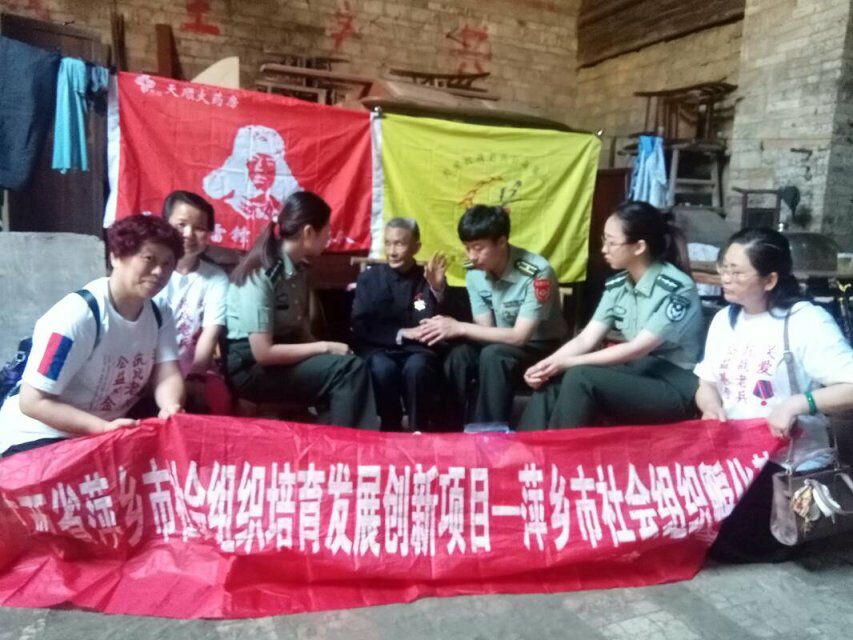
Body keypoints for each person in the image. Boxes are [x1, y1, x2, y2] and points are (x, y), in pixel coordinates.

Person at [694, 227, 853, 561]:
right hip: (733, 456)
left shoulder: (805, 321)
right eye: (724, 268)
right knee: (684, 521)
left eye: (737, 272)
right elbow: (706, 383)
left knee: (725, 544)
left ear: (769, 280)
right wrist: (710, 406)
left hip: (784, 464)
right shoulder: (724, 320)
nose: (725, 278)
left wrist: (798, 403)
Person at [0, 215, 185, 458]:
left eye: (168, 263)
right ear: (116, 256)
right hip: (40, 435)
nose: (159, 271)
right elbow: (32, 401)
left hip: (104, 432)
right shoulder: (77, 316)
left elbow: (167, 372)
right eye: (149, 259)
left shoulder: (160, 312)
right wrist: (102, 428)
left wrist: (170, 407)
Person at [521, 201, 703, 429]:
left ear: (639, 247)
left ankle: (562, 450)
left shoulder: (677, 288)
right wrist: (547, 365)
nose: (604, 249)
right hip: (637, 373)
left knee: (580, 376)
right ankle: (522, 448)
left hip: (675, 385)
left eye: (612, 242)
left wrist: (568, 363)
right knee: (551, 380)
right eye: (604, 240)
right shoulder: (618, 285)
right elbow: (585, 339)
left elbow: (637, 348)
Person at [224, 190, 378, 429]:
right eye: (326, 232)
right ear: (308, 232)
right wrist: (325, 347)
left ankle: (330, 441)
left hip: (282, 358)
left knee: (347, 363)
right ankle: (349, 446)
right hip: (251, 367)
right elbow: (263, 353)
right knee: (348, 371)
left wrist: (330, 354)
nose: (328, 239)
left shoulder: (299, 271)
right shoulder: (261, 275)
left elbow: (301, 332)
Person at [418, 204, 566, 426]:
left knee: (495, 355)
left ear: (502, 241)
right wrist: (440, 294)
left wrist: (459, 327)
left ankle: (489, 433)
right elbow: (484, 329)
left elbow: (520, 337)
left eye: (478, 248)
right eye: (467, 248)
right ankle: (449, 429)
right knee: (459, 355)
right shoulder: (474, 272)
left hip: (540, 348)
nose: (472, 256)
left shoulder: (536, 272)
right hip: (499, 342)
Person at [351, 218, 448, 431]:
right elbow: (361, 325)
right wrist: (402, 332)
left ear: (416, 247)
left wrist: (436, 289)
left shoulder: (425, 279)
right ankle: (390, 427)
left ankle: (418, 429)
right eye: (388, 243)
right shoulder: (369, 279)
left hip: (416, 350)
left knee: (417, 368)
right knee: (382, 368)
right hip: (379, 348)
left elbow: (425, 316)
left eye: (399, 244)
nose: (392, 251)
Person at [155, 190, 229, 411]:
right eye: (181, 225)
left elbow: (210, 332)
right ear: (165, 225)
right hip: (150, 367)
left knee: (217, 400)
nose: (188, 234)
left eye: (199, 228)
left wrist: (196, 375)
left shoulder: (216, 278)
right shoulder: (152, 271)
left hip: (194, 368)